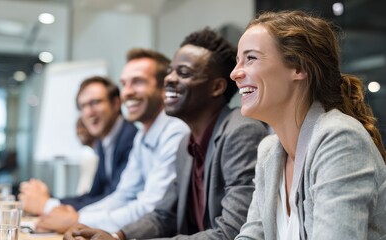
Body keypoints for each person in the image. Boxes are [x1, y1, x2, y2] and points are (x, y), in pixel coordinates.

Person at [64, 28, 268, 240]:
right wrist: (117, 236)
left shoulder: (241, 131)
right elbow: (163, 216)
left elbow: (231, 232)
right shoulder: (185, 145)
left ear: (216, 87)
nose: (169, 80)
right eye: (170, 71)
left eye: (184, 73)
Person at [229, 10, 386, 240]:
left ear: (299, 69)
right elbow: (252, 235)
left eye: (250, 58)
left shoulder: (340, 138)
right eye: (237, 61)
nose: (235, 73)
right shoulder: (269, 151)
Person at [34, 48, 190, 233]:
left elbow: (150, 208)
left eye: (138, 82)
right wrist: (76, 217)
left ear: (164, 88)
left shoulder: (176, 131)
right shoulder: (142, 135)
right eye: (124, 84)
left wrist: (77, 219)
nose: (127, 92)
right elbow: (122, 196)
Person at [19, 76, 138, 215]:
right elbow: (93, 195)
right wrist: (49, 201)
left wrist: (47, 205)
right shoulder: (102, 143)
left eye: (95, 102)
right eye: (83, 106)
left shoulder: (131, 138)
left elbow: (116, 200)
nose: (88, 112)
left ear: (116, 103)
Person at [75, 117, 99, 195]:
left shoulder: (92, 157)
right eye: (77, 128)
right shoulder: (88, 154)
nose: (79, 131)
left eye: (83, 127)